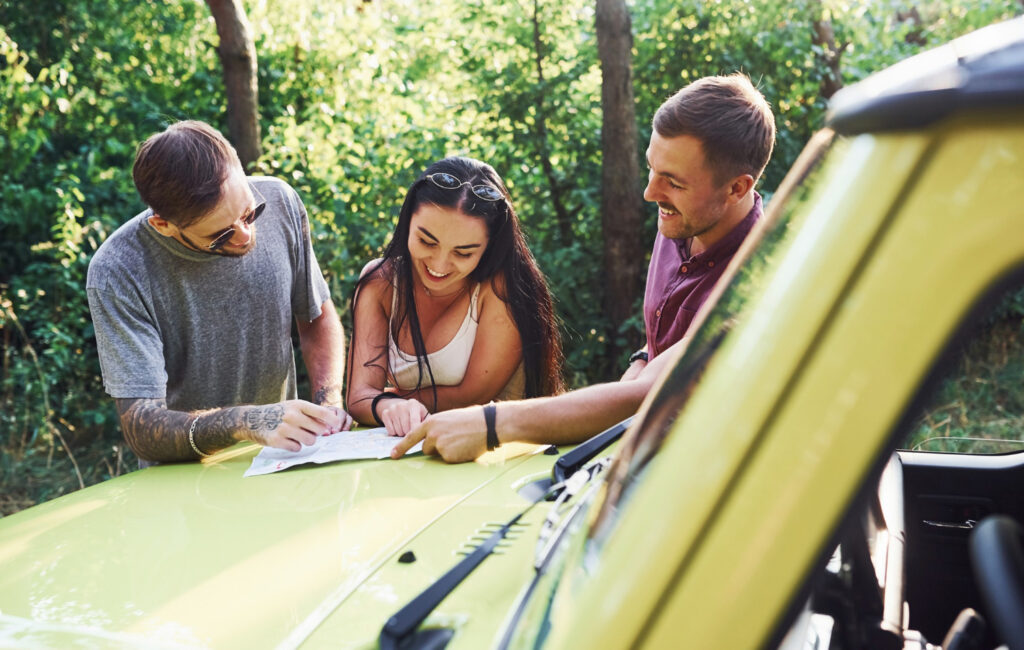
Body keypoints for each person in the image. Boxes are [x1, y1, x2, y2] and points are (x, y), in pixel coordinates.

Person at [392, 73, 775, 462]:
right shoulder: (685, 220)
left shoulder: (757, 276)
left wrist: (490, 424)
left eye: (673, 182)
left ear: (736, 189)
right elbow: (665, 346)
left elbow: (654, 393)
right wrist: (639, 365)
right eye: (651, 169)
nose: (650, 193)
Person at [86, 120, 351, 464]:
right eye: (221, 235)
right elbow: (142, 427)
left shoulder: (281, 200)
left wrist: (327, 404)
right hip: (183, 480)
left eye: (250, 214)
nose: (245, 236)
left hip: (282, 460)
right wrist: (245, 422)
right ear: (163, 225)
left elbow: (316, 317)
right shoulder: (118, 269)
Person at [346, 156, 564, 437]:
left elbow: (470, 397)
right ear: (407, 221)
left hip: (499, 456)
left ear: (489, 246)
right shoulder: (379, 283)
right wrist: (386, 406)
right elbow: (358, 396)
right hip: (415, 454)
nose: (439, 264)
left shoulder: (503, 289)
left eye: (463, 253)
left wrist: (390, 401)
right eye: (426, 241)